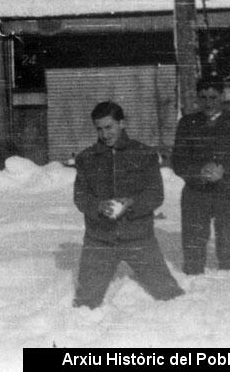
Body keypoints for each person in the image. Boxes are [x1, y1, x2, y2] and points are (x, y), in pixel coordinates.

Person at [72, 101, 184, 309]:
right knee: (85, 303)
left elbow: (155, 194)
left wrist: (132, 203)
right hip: (100, 239)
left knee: (170, 296)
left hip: (138, 237)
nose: (104, 134)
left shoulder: (144, 154)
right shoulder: (86, 158)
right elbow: (80, 196)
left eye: (109, 127)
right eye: (99, 128)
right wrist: (98, 206)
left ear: (121, 123)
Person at [171, 76, 230, 274]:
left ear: (223, 95)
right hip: (195, 195)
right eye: (203, 98)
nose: (208, 103)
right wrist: (199, 172)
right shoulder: (187, 123)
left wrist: (224, 170)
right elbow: (177, 162)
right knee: (193, 258)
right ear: (197, 98)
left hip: (227, 193)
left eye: (213, 97)